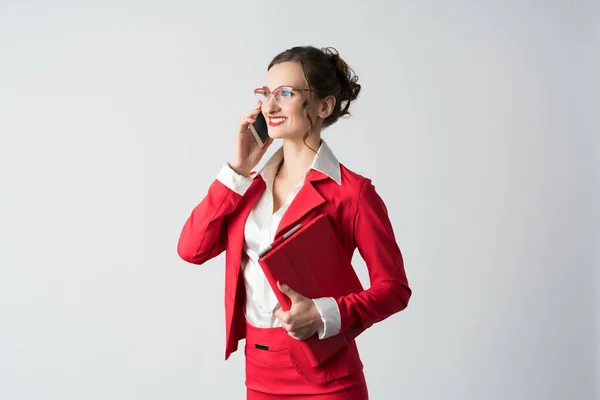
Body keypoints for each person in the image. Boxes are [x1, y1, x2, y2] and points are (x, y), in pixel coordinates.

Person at [177, 45, 411, 399]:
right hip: (259, 373)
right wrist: (237, 171)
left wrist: (324, 313)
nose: (269, 106)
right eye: (266, 94)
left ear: (324, 105)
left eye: (285, 93)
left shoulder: (352, 193)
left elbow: (394, 289)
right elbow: (191, 249)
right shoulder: (248, 187)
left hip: (328, 376)